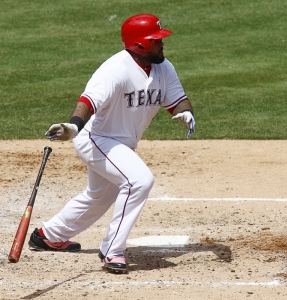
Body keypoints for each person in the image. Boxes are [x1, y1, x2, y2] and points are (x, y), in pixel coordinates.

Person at [28, 13, 195, 273]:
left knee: (99, 197)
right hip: (96, 139)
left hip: (121, 144)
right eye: (156, 40)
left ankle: (48, 235)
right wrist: (73, 126)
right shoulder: (115, 69)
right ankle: (112, 249)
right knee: (138, 180)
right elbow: (88, 102)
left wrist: (186, 113)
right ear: (140, 45)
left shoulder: (164, 68)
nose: (162, 43)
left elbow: (178, 100)